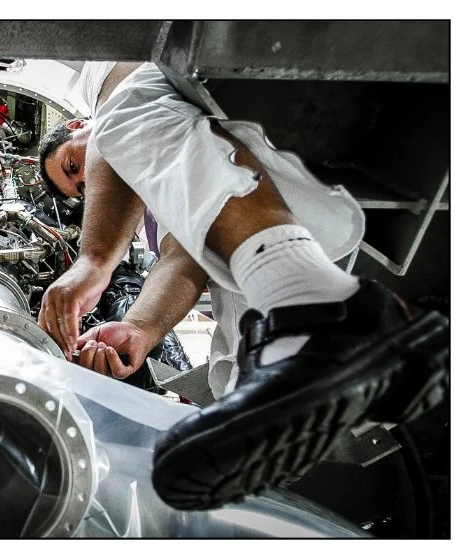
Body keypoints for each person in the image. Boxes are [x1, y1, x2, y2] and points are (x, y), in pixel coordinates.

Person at [36, 61, 450, 510]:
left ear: (76, 123)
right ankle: (305, 378)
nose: (83, 181)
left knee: (125, 118)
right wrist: (141, 326)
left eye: (72, 165)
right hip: (280, 226)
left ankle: (319, 315)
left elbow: (113, 122)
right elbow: (184, 260)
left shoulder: (109, 86)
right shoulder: (154, 212)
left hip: (278, 157)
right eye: (79, 189)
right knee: (229, 373)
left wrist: (94, 260)